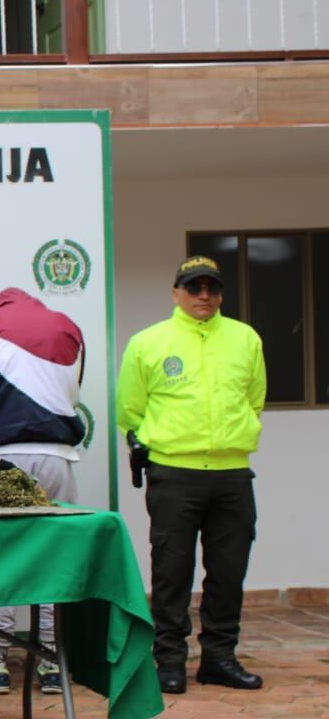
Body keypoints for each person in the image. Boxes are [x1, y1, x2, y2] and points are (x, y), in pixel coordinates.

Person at [116, 255, 266, 695]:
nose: (204, 296)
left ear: (220, 293)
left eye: (211, 288)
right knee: (172, 570)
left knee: (228, 570)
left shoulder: (245, 339)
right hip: (174, 474)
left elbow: (254, 400)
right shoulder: (149, 342)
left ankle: (220, 658)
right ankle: (170, 661)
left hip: (232, 474)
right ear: (176, 292)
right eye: (194, 287)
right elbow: (130, 409)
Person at [0, 288, 85, 695]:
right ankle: (51, 663)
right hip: (59, 456)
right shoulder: (69, 328)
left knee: (2, 561)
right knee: (53, 560)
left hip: (3, 455)